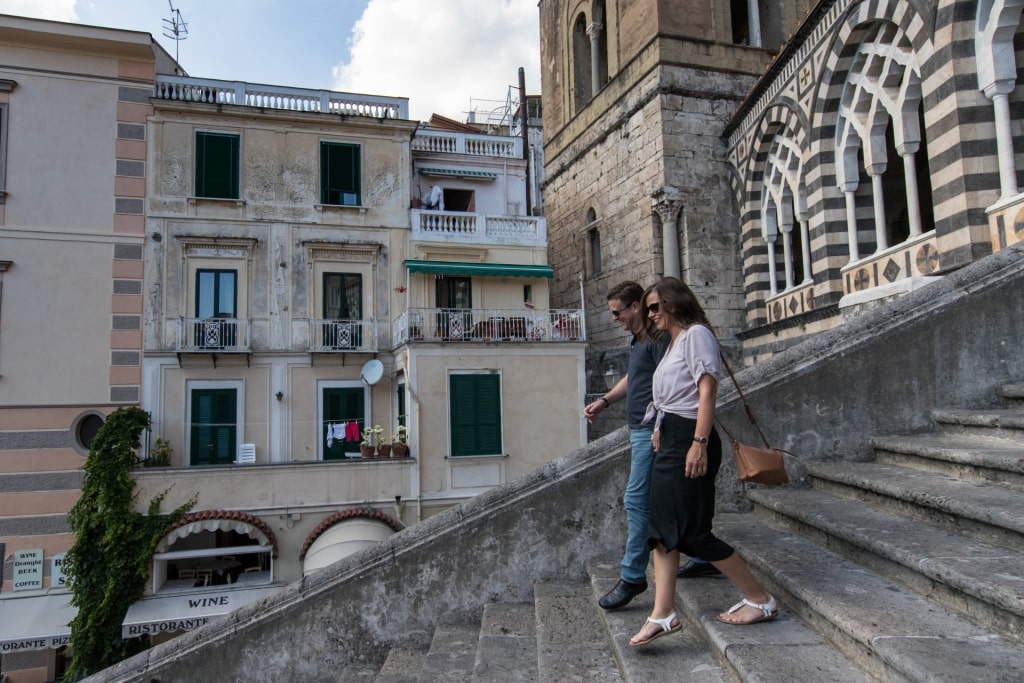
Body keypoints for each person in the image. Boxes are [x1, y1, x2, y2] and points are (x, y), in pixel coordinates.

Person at [629, 277, 778, 647]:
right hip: (671, 438)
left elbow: (707, 390)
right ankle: (662, 614)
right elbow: (671, 395)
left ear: (674, 303)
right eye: (648, 308)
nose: (650, 314)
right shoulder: (672, 341)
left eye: (654, 306)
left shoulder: (696, 335)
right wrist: (659, 429)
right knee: (662, 530)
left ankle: (761, 599)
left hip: (690, 440)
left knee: (693, 533)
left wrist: (697, 443)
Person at [584, 281, 668, 609]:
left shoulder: (657, 339)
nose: (615, 319)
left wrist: (660, 424)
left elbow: (674, 382)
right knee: (664, 501)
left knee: (635, 500)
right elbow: (633, 378)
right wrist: (604, 400)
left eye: (618, 312)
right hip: (639, 431)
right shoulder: (639, 342)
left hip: (651, 432)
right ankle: (704, 554)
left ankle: (633, 575)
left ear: (635, 307)